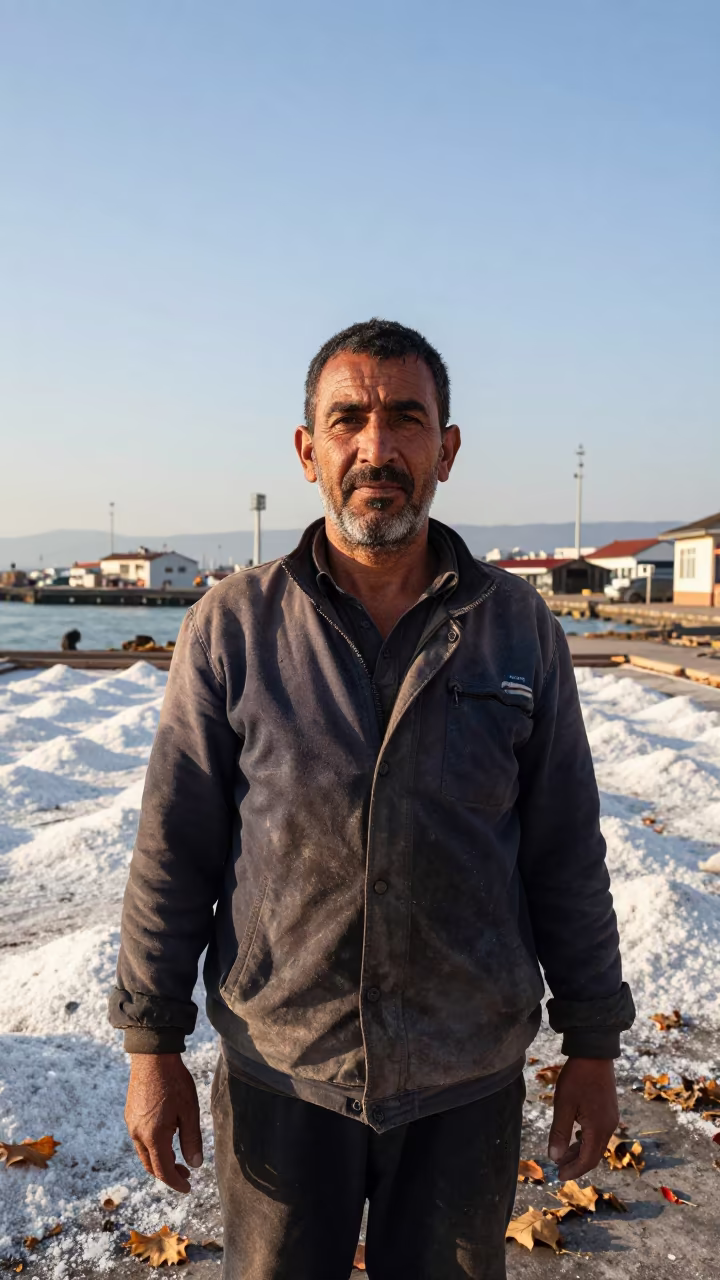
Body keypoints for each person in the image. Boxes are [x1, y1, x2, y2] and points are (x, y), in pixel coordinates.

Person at [110, 319, 634, 1280]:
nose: (377, 447)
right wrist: (153, 1047)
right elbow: (173, 847)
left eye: (406, 418)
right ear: (308, 449)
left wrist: (592, 1046)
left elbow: (565, 852)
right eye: (347, 419)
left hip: (464, 1082)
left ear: (447, 447)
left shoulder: (517, 631)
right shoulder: (232, 627)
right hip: (282, 1071)